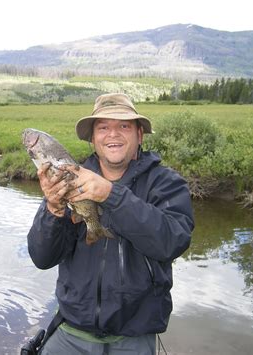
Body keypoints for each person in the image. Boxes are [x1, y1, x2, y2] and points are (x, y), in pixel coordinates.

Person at [27, 93, 194, 354]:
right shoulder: (70, 177)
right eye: (103, 127)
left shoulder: (166, 183)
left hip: (134, 339)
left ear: (140, 135)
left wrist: (110, 195)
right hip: (71, 331)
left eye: (123, 126)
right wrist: (52, 209)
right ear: (93, 138)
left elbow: (172, 242)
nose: (112, 135)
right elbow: (42, 258)